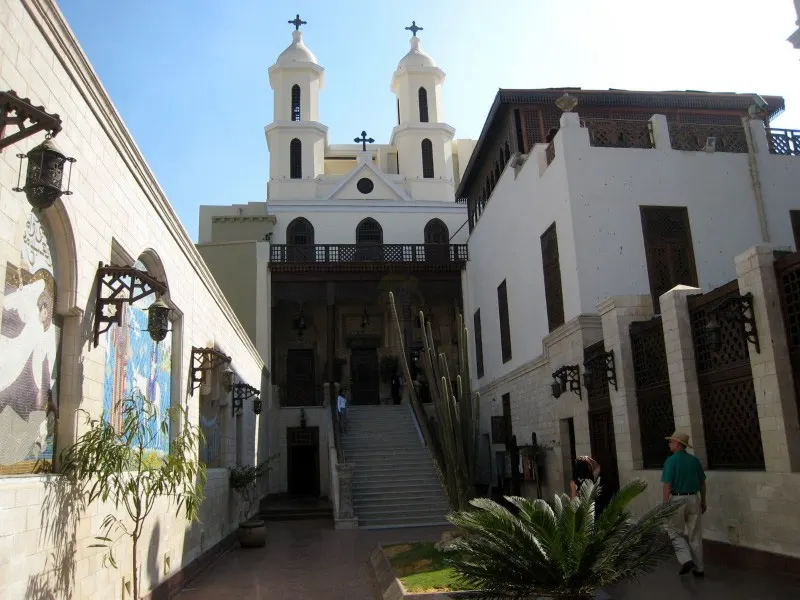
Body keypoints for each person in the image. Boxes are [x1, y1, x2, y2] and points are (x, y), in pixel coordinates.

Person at [661, 431, 706, 577]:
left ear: (678, 444)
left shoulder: (671, 461)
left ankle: (686, 559)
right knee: (695, 534)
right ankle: (699, 568)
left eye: (671, 441)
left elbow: (667, 485)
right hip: (694, 498)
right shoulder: (694, 460)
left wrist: (665, 505)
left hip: (677, 499)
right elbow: (702, 483)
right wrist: (703, 500)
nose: (669, 444)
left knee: (674, 531)